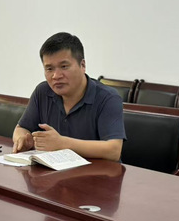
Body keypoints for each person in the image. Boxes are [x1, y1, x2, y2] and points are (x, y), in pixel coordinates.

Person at [12, 32, 126, 161]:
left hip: (98, 172)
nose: (56, 76)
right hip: (55, 171)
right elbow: (21, 128)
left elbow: (114, 150)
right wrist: (22, 140)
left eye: (64, 66)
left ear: (82, 65)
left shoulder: (108, 98)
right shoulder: (42, 91)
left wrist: (62, 143)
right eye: (49, 69)